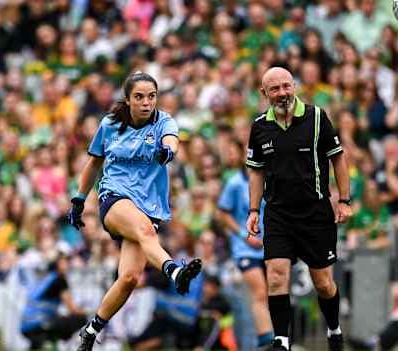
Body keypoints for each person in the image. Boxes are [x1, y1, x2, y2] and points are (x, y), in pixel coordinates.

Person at [68, 72, 202, 351]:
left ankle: (91, 330)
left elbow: (171, 142)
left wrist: (168, 152)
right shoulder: (110, 124)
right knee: (143, 230)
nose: (146, 102)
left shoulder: (164, 121)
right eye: (139, 97)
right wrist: (79, 200)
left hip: (147, 208)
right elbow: (93, 165)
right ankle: (174, 272)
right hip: (114, 198)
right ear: (128, 99)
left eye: (151, 96)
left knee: (129, 278)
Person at [245, 67, 352, 351]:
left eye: (286, 86)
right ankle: (281, 341)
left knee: (324, 283)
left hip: (315, 213)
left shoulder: (317, 117)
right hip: (278, 214)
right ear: (264, 93)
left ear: (295, 86)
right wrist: (253, 210)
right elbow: (256, 172)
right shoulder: (259, 127)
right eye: (275, 89)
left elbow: (338, 159)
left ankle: (334, 330)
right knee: (276, 274)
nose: (282, 93)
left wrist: (344, 200)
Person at [216, 148, 274, 349]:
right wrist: (243, 234)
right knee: (259, 291)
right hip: (245, 249)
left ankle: (274, 337)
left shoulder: (272, 180)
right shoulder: (234, 183)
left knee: (274, 294)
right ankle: (266, 338)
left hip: (271, 247)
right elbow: (222, 214)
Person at [20, 253, 88, 350]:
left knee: (61, 319)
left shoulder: (46, 277)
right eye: (64, 262)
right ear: (57, 264)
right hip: (39, 325)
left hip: (25, 326)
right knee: (80, 319)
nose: (68, 264)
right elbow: (72, 309)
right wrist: (92, 313)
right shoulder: (60, 279)